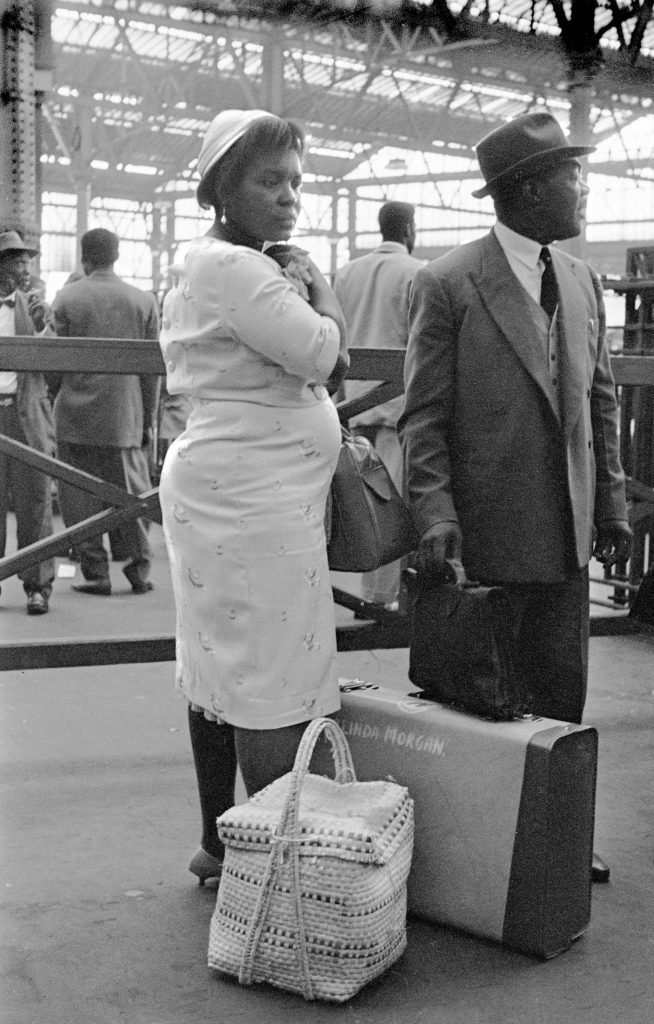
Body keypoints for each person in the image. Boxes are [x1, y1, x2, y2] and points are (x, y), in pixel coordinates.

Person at [398, 112, 633, 883]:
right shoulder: (448, 282)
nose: (584, 187)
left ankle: (558, 842)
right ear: (530, 189)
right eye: (572, 174)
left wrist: (613, 509)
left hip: (565, 534)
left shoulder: (581, 280)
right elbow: (422, 417)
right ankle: (480, 852)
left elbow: (599, 406)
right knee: (486, 698)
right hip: (487, 538)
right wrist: (434, 512)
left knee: (561, 693)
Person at [158, 108, 348, 885]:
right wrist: (322, 286)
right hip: (251, 503)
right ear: (222, 187)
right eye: (269, 181)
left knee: (219, 671)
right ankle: (274, 876)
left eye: (296, 182)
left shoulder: (223, 262)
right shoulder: (236, 269)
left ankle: (220, 844)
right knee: (270, 682)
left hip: (241, 492)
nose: (289, 197)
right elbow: (324, 354)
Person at [50, 228, 160, 596]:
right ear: (116, 256)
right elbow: (152, 371)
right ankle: (138, 571)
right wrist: (147, 418)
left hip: (75, 417)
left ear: (85, 257)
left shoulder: (67, 298)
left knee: (79, 496)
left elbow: (50, 362)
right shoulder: (142, 301)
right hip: (124, 416)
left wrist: (58, 397)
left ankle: (96, 574)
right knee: (131, 495)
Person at [333, 200, 422, 613]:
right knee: (390, 507)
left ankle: (348, 589)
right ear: (408, 229)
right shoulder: (418, 272)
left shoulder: (347, 272)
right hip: (395, 409)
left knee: (353, 503)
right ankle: (380, 599)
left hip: (351, 407)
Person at [0, 231, 56, 615]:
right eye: (14, 260)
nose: (23, 267)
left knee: (35, 500)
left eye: (25, 260)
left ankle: (37, 586)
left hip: (27, 417)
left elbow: (53, 363)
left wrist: (42, 324)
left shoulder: (35, 306)